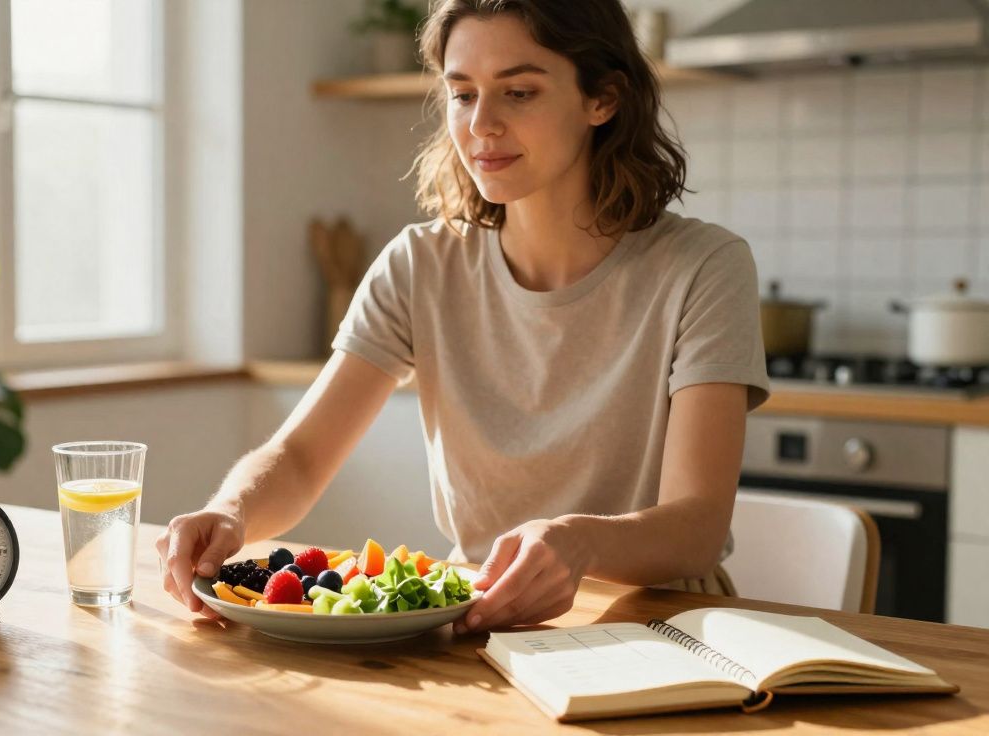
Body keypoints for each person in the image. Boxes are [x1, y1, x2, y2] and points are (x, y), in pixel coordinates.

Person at [156, 0, 769, 634]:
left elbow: (696, 525)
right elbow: (304, 457)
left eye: (519, 92)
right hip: (479, 620)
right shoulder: (421, 263)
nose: (483, 124)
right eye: (462, 94)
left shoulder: (704, 265)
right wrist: (231, 510)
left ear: (603, 99)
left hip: (662, 626)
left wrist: (579, 543)